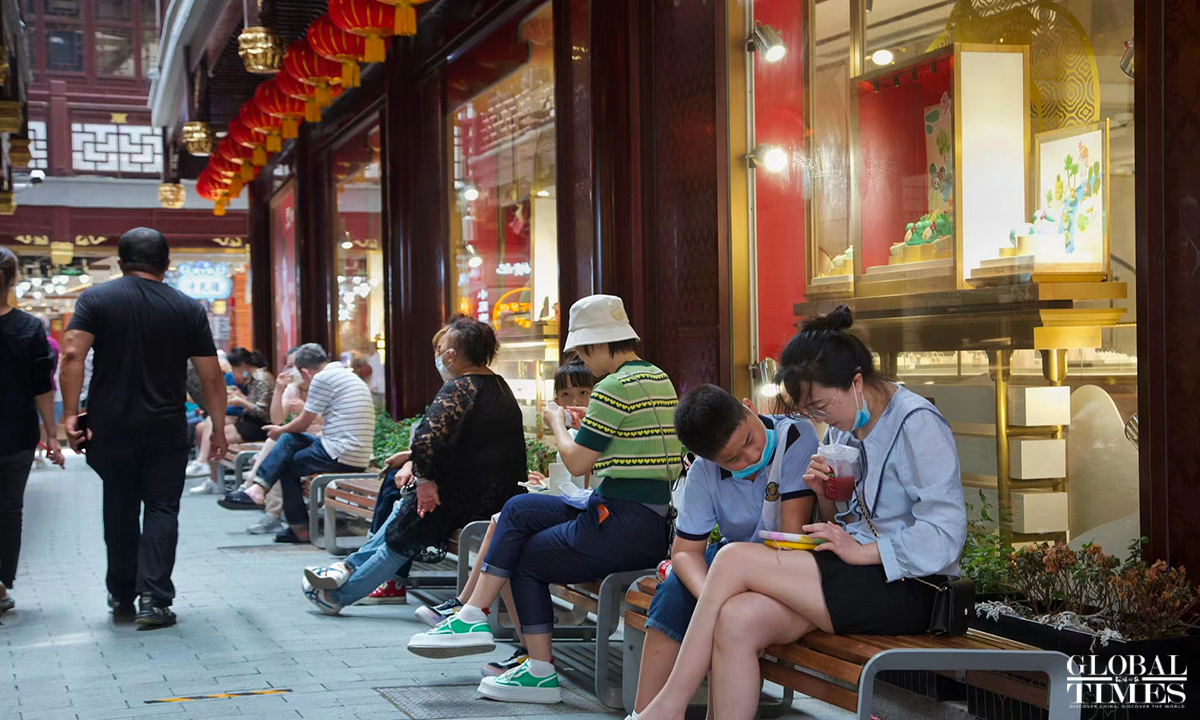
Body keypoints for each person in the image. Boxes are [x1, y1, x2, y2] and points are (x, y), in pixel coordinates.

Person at [629, 306, 967, 720]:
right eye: (812, 412)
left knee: (732, 557)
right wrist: (825, 496)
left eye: (821, 406)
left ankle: (669, 706)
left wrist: (859, 551)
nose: (820, 420)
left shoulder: (917, 423)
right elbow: (847, 519)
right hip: (854, 574)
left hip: (912, 585)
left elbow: (946, 534)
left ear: (856, 382)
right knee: (736, 620)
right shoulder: (846, 427)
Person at [408, 294, 682, 705]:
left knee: (524, 557)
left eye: (582, 354)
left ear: (594, 346)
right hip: (648, 520)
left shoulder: (612, 386)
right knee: (517, 508)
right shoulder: (657, 377)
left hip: (619, 522)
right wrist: (582, 423)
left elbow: (575, 462)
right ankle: (472, 616)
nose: (584, 364)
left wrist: (557, 422)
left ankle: (536, 669)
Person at [300, 318, 526, 622]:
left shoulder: (459, 387)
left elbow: (426, 437)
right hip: (489, 494)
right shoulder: (500, 387)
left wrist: (425, 481)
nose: (441, 355)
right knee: (401, 511)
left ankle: (336, 595)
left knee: (403, 534)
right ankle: (348, 567)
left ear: (452, 356)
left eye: (444, 348)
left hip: (464, 498)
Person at [60, 227, 228, 627]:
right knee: (162, 508)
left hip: (109, 426)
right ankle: (154, 597)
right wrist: (218, 427)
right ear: (166, 266)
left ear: (120, 263)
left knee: (118, 505)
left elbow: (71, 354)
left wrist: (70, 414)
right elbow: (211, 377)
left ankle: (121, 595)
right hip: (165, 426)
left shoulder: (96, 299)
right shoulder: (186, 307)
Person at [632, 384, 818, 713]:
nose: (751, 456)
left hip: (787, 565)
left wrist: (719, 599)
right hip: (731, 564)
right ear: (707, 459)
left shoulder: (795, 438)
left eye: (748, 440)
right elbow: (686, 551)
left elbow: (791, 542)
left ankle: (668, 709)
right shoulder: (704, 472)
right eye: (732, 459)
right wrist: (711, 598)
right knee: (675, 591)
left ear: (748, 407)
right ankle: (646, 711)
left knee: (732, 614)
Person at [410, 355, 598, 677]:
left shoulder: (597, 429)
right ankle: (522, 649)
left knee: (506, 529)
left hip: (596, 523)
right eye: (566, 395)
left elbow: (592, 483)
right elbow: (576, 483)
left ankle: (469, 611)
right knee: (507, 535)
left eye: (583, 393)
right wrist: (548, 482)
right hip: (580, 514)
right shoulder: (578, 431)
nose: (575, 402)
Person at [218, 343, 375, 544]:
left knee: (287, 460)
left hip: (342, 453)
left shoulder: (322, 378)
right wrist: (282, 428)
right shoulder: (344, 374)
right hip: (350, 451)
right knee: (288, 443)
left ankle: (289, 519)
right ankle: (260, 491)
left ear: (304, 372)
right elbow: (287, 419)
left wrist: (280, 430)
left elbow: (303, 422)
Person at [0, 248, 65, 612]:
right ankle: (1, 585)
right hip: (16, 431)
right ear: (13, 281)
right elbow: (42, 386)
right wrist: (52, 435)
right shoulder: (28, 328)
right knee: (9, 510)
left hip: (15, 432)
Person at [187, 348, 274, 494]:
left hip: (257, 426)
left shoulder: (261, 378)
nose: (233, 372)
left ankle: (210, 474)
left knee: (213, 434)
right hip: (249, 422)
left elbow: (263, 411)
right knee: (211, 432)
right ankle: (212, 477)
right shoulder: (255, 377)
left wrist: (240, 400)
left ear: (243, 366)